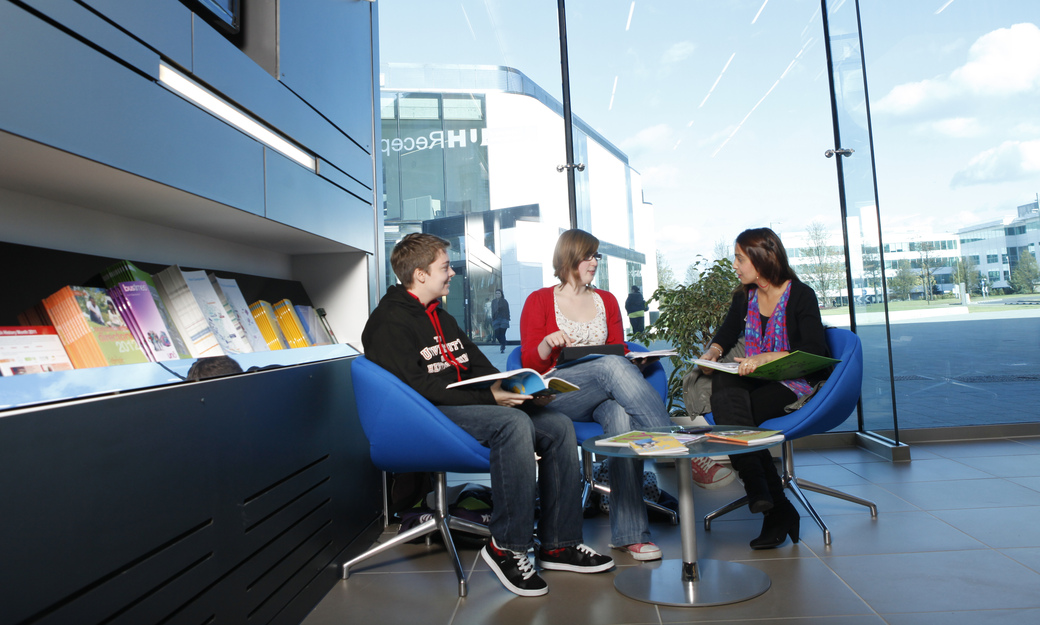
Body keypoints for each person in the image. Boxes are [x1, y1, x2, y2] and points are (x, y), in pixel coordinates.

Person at [361, 233, 613, 598]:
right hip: (432, 416)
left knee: (557, 424)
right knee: (512, 425)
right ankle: (507, 547)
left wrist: (524, 390)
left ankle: (559, 543)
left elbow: (478, 364)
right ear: (419, 274)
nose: (452, 273)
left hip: (469, 405)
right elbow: (420, 391)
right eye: (445, 267)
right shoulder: (388, 323)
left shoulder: (442, 317)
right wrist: (492, 398)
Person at [519, 229, 734, 563]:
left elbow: (619, 348)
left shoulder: (606, 300)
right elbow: (529, 364)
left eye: (596, 256)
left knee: (620, 412)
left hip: (603, 390)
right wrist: (548, 343)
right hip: (558, 393)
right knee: (610, 367)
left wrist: (638, 361)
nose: (594, 262)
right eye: (588, 256)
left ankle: (630, 534)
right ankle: (680, 448)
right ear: (569, 259)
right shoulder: (539, 300)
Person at [697, 227, 831, 550]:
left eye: (740, 259)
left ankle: (767, 500)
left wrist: (771, 356)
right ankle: (776, 504)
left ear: (761, 259)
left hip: (794, 382)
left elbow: (817, 353)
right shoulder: (745, 295)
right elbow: (726, 333)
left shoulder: (801, 295)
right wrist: (712, 354)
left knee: (733, 417)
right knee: (723, 380)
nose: (735, 265)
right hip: (756, 379)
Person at [491, 288, 510, 353]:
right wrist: (493, 318)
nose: (497, 294)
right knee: (497, 334)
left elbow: (507, 310)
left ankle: (502, 346)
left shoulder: (504, 301)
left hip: (503, 319)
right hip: (496, 319)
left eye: (499, 293)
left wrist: (507, 318)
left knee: (502, 334)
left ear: (501, 294)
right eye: (496, 293)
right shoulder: (493, 301)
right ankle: (503, 343)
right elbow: (492, 310)